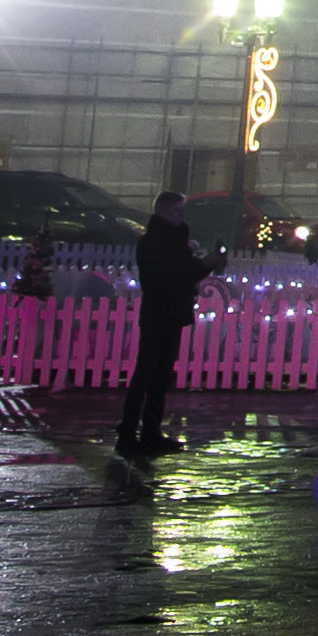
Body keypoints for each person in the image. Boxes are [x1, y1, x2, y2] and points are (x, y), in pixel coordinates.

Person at [116, 190, 221, 458]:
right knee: (146, 374)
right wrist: (200, 266)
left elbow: (182, 272)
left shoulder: (173, 240)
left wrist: (205, 266)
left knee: (160, 376)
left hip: (170, 312)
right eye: (177, 211)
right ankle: (128, 433)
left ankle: (150, 432)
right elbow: (168, 276)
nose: (181, 216)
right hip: (159, 312)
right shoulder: (154, 242)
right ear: (164, 211)